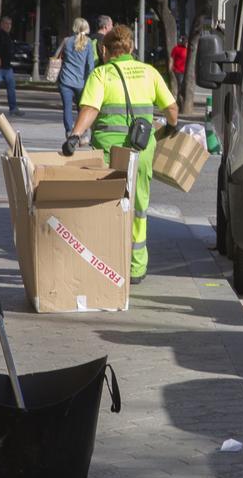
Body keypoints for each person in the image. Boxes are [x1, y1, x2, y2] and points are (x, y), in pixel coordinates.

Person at [63, 25, 177, 285]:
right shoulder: (149, 73)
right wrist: (171, 125)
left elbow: (90, 109)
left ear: (104, 50)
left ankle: (106, 263)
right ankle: (136, 269)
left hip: (108, 155)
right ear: (131, 48)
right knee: (138, 208)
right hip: (141, 152)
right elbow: (172, 109)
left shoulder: (101, 74)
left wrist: (74, 136)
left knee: (106, 207)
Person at [53, 17, 97, 136]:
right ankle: (81, 132)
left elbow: (56, 56)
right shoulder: (88, 43)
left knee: (67, 107)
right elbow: (90, 65)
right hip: (81, 83)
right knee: (82, 108)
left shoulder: (66, 41)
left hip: (65, 80)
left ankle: (68, 130)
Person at [168, 34, 188, 106]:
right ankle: (177, 101)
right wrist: (170, 67)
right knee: (180, 86)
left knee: (183, 86)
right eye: (185, 42)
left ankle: (180, 100)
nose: (186, 44)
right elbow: (171, 58)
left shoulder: (188, 50)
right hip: (178, 71)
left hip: (186, 71)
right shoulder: (176, 49)